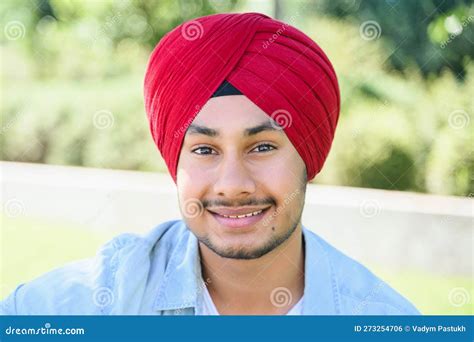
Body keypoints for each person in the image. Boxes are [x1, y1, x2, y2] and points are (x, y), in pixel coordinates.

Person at [1, 12, 419, 315]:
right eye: (204, 150)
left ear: (308, 155)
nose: (232, 184)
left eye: (262, 147)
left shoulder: (380, 318)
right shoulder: (101, 301)